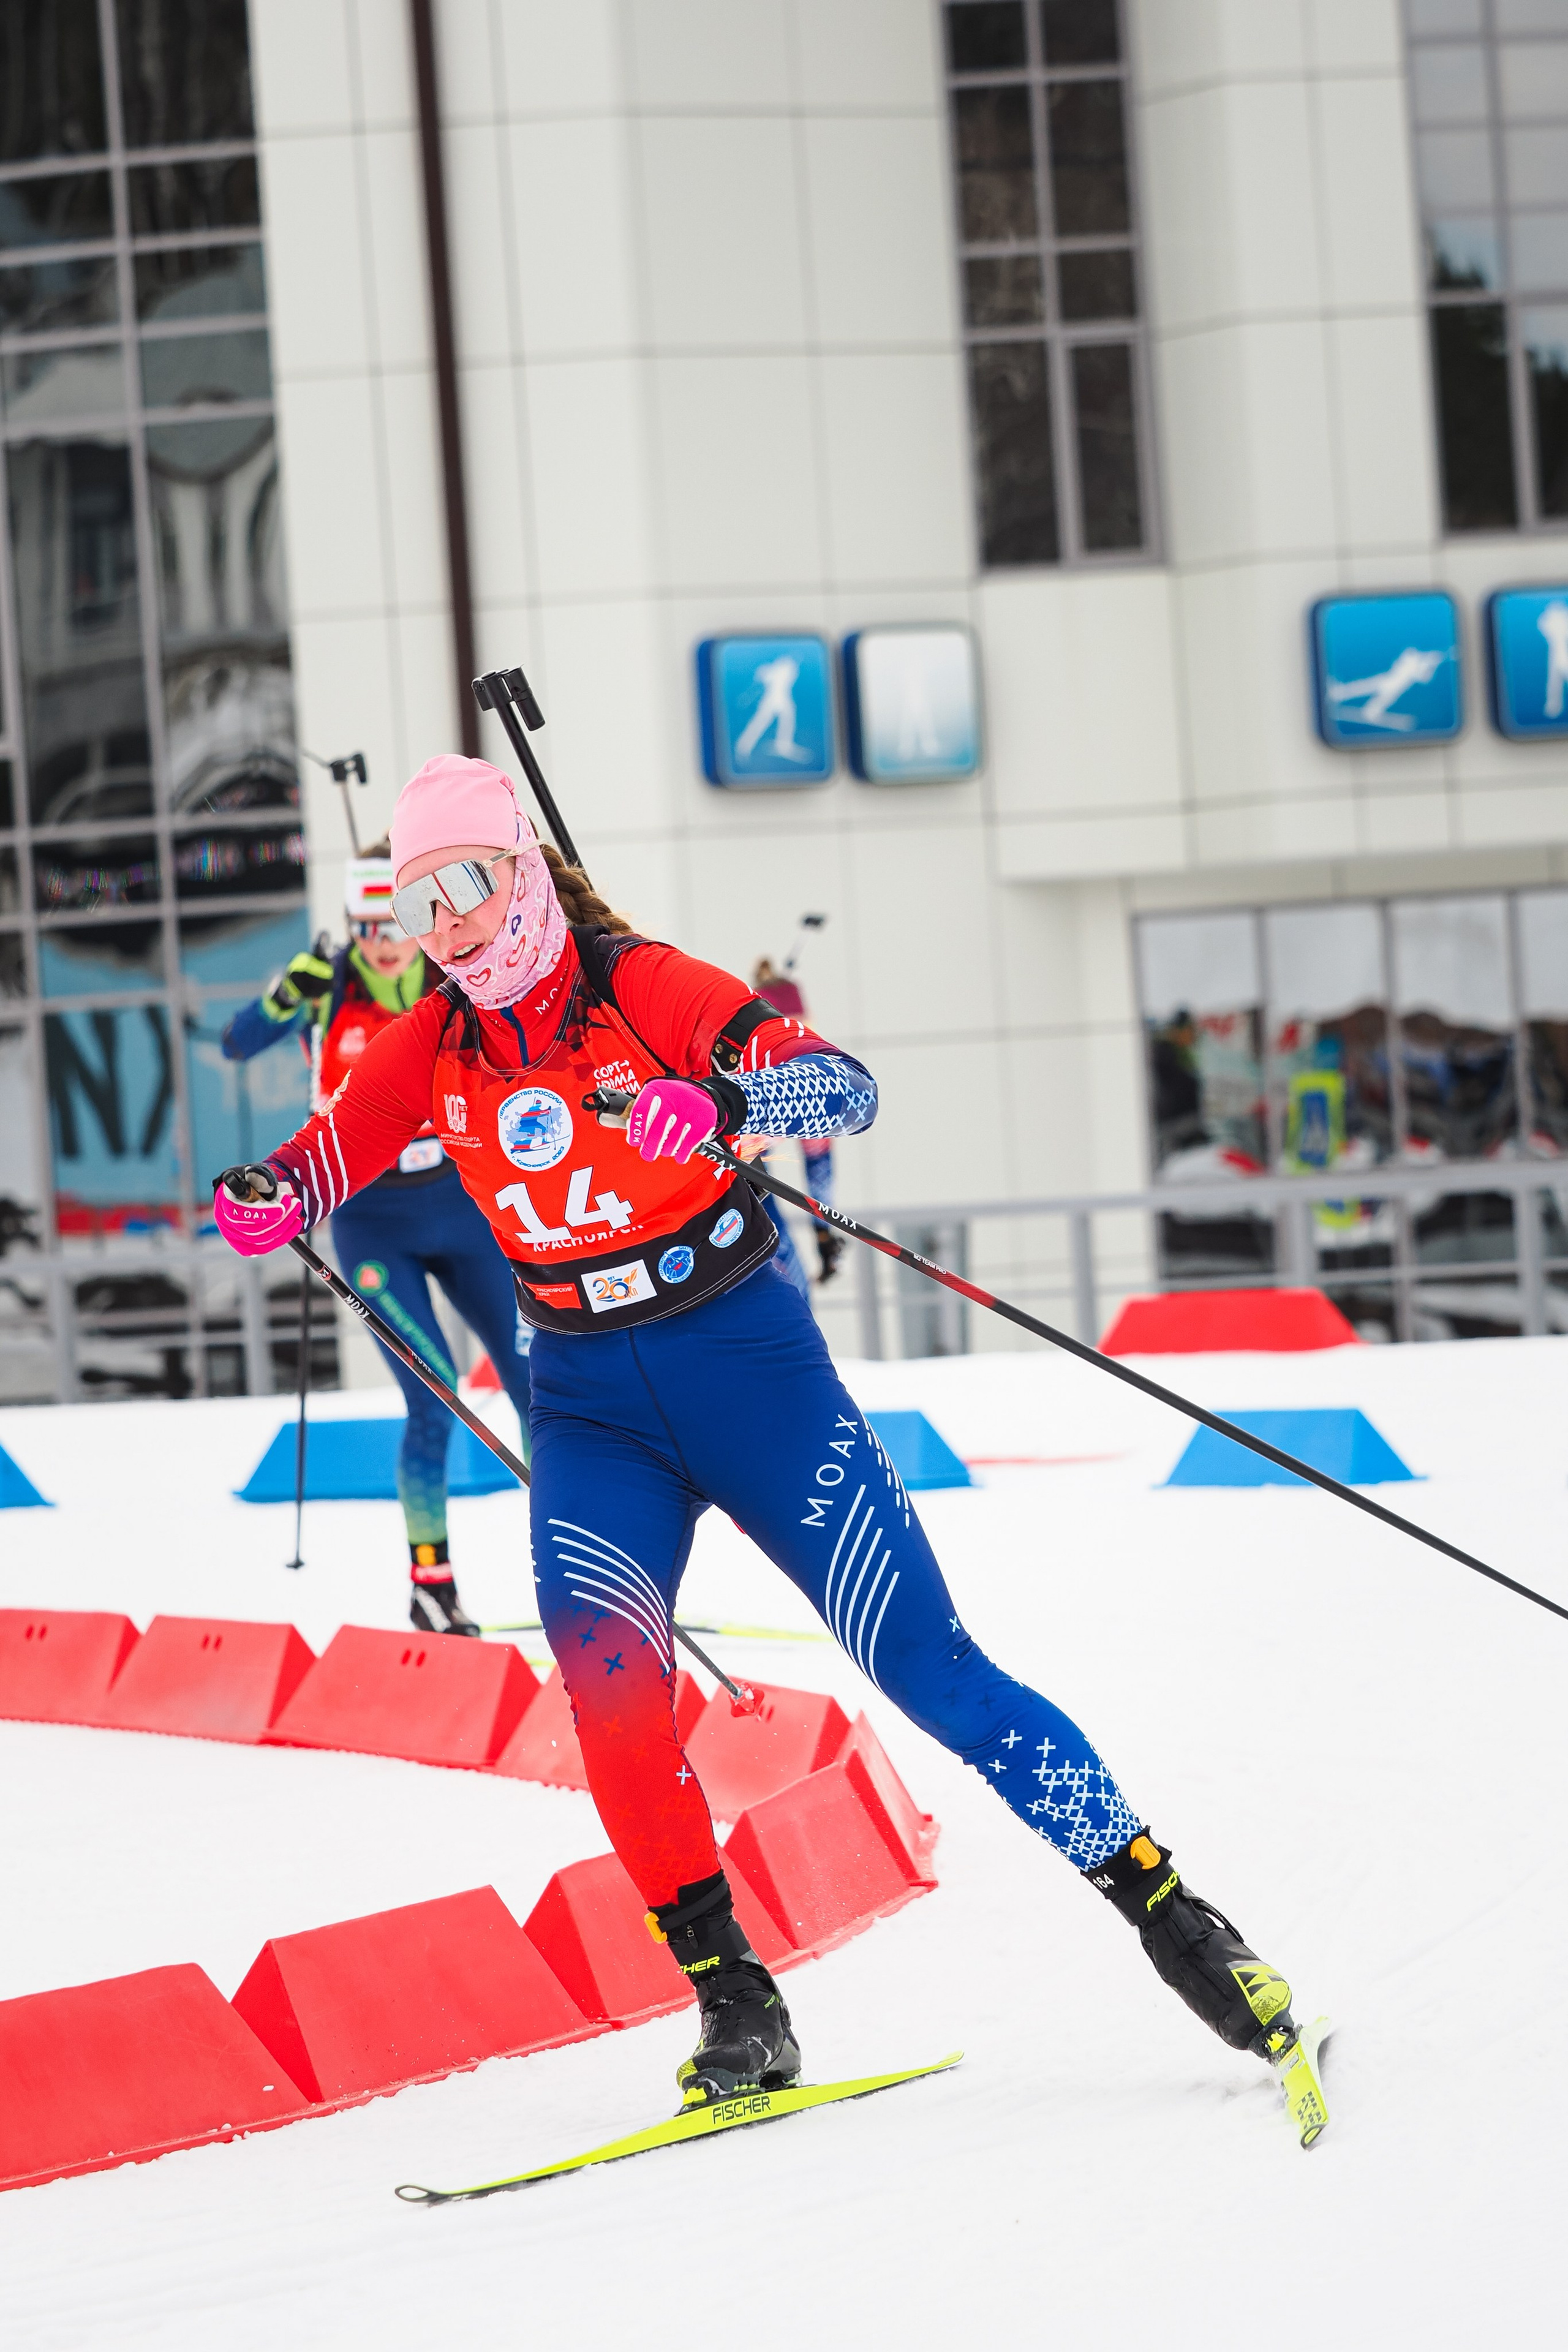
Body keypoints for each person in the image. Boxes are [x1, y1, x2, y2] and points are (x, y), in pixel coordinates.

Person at [213, 753, 1303, 2111]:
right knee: (609, 1695)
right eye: (419, 898)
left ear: (525, 872)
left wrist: (725, 1103)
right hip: (591, 1407)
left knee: (934, 1672)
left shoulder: (643, 984)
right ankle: (735, 1998)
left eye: (467, 884)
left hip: (751, 1374)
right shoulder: (426, 1046)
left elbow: (838, 1090)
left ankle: (1176, 1917)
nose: (447, 924)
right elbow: (330, 1155)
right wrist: (269, 1193)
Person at [220, 845, 533, 1637]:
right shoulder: (325, 987)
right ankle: (433, 1587)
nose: (384, 945)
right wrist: (283, 993)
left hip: (462, 1205)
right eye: (365, 929)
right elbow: (236, 1041)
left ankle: (574, 1568)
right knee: (435, 1397)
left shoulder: (451, 971)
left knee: (542, 1388)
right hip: (368, 1217)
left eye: (391, 926)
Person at [752, 954, 843, 1287]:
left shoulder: (811, 1077)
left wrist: (824, 1235)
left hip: (748, 1167)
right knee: (786, 1274)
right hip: (734, 1172)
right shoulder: (759, 1070)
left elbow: (818, 1158)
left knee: (792, 1280)